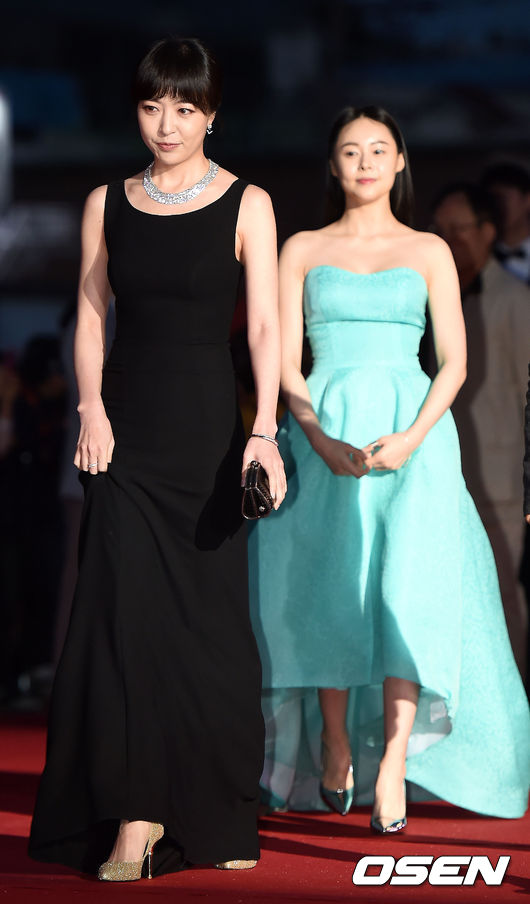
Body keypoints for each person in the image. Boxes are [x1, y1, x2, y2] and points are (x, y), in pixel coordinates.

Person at [29, 36, 286, 880]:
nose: (166, 124)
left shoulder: (249, 203)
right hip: (124, 436)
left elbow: (264, 328)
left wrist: (265, 432)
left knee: (209, 628)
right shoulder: (106, 201)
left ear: (212, 115)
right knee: (123, 620)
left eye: (184, 107)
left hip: (209, 440)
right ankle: (134, 819)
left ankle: (218, 816)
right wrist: (91, 408)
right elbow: (91, 312)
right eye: (151, 106)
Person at [249, 106, 530, 831]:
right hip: (325, 430)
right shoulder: (302, 247)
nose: (366, 161)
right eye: (351, 150)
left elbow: (454, 362)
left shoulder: (430, 249)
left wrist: (411, 438)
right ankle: (336, 741)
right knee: (332, 587)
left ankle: (397, 760)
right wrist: (314, 437)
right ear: (333, 165)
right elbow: (282, 360)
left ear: (400, 160)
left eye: (379, 149)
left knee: (408, 592)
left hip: (415, 439)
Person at [432, 183, 530, 678]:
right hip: (443, 476)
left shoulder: (516, 299)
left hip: (500, 484)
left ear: (488, 232)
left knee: (504, 599)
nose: (449, 240)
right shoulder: (430, 296)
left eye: (460, 229)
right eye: (441, 231)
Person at [481, 162, 530, 286]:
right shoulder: (479, 257)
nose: (498, 207)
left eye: (504, 198)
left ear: (527, 199)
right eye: (492, 200)